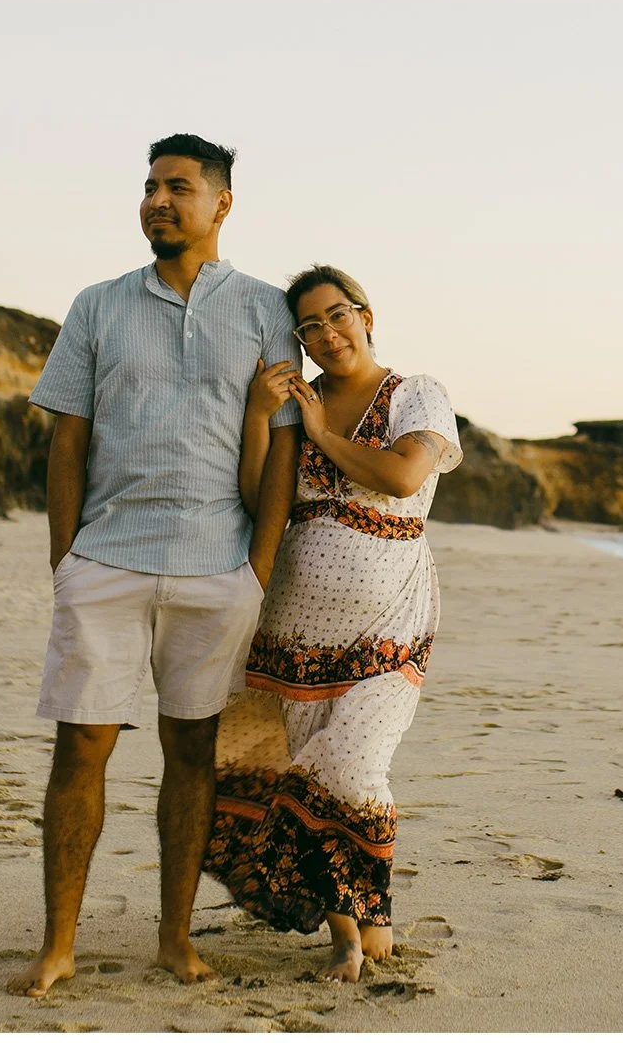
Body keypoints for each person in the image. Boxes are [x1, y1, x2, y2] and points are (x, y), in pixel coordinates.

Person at [6, 134, 303, 996]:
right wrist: (65, 560)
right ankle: (58, 946)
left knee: (194, 753)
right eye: (148, 187)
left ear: (222, 204)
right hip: (106, 561)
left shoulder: (267, 309)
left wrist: (257, 565)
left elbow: (283, 450)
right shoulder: (98, 305)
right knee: (80, 749)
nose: (157, 201)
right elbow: (69, 438)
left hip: (217, 567)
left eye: (178, 186)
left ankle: (176, 941)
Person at [203, 264, 463, 982]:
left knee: (352, 765)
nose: (326, 334)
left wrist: (319, 429)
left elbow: (403, 476)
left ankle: (363, 923)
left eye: (337, 315)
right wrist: (261, 416)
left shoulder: (416, 394)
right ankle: (355, 931)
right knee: (294, 770)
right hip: (292, 629)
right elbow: (262, 501)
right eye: (309, 326)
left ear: (365, 315)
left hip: (390, 621)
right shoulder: (298, 403)